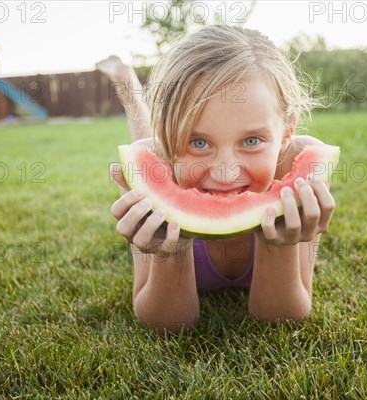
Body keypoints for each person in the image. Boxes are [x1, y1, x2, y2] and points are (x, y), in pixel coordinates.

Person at [99, 25, 335, 334]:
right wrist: (169, 253)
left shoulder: (300, 165)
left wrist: (280, 246)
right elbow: (167, 325)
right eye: (198, 143)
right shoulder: (149, 168)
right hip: (160, 151)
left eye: (251, 141)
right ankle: (128, 85)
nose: (225, 172)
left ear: (287, 130)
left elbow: (281, 322)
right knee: (149, 148)